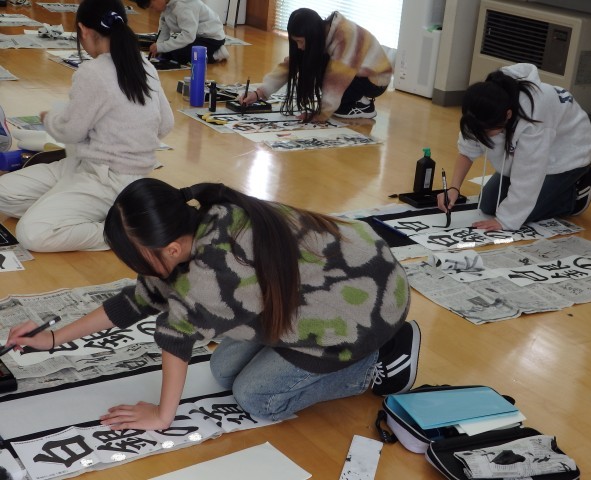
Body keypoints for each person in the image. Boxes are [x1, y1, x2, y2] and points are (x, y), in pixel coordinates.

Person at [6, 179, 421, 430]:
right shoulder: (196, 222)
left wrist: (162, 416)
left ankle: (377, 362)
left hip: (364, 305)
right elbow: (139, 300)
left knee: (258, 399)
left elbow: (175, 340)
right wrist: (54, 338)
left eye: (136, 259)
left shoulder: (214, 271)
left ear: (170, 248)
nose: (135, 269)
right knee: (223, 369)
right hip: (319, 291)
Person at [0, 0, 174, 252]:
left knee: (31, 233)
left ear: (83, 30)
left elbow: (70, 131)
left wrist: (49, 118)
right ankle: (81, 210)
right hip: (90, 168)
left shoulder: (93, 72)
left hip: (107, 179)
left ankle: (124, 234)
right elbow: (166, 124)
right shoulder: (145, 65)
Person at [437, 63, 591, 232]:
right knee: (488, 204)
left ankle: (573, 196)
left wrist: (505, 220)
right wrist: (454, 188)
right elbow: (467, 151)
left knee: (522, 215)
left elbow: (529, 175)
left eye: (487, 131)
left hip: (568, 154)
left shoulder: (535, 114)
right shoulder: (482, 107)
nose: (482, 136)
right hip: (534, 150)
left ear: (507, 115)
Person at [240, 8, 392, 121]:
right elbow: (291, 65)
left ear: (311, 35)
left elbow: (336, 80)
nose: (299, 47)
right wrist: (259, 93)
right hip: (356, 73)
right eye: (295, 42)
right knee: (311, 62)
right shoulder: (319, 33)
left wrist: (320, 114)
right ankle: (351, 100)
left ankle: (362, 103)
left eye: (300, 42)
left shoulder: (345, 35)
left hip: (374, 80)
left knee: (328, 84)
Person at [135, 0, 229, 64]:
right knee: (166, 53)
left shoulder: (184, 5)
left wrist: (162, 47)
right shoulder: (166, 6)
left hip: (211, 38)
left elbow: (188, 36)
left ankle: (216, 54)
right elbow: (164, 29)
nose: (154, 10)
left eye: (152, 6)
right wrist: (159, 46)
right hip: (195, 35)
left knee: (179, 55)